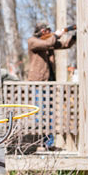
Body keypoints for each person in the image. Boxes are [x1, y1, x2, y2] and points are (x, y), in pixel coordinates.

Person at [26, 22, 75, 150]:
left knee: (50, 114)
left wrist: (75, 35)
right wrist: (58, 35)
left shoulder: (49, 42)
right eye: (47, 30)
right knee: (40, 114)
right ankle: (39, 143)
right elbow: (48, 43)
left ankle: (49, 144)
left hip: (49, 83)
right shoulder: (33, 41)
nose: (49, 32)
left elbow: (65, 45)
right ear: (42, 31)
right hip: (39, 83)